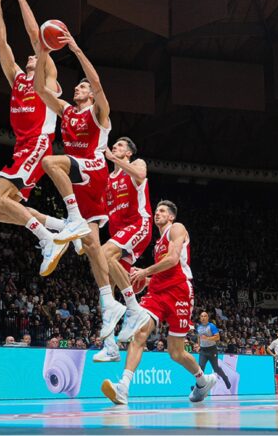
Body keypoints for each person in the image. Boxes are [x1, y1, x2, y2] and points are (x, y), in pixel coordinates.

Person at [32, 28, 126, 341]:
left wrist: (74, 49)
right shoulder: (67, 111)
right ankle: (109, 302)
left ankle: (70, 219)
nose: (79, 87)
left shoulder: (99, 113)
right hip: (78, 180)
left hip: (94, 171)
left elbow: (97, 83)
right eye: (78, 85)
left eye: (82, 86)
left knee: (49, 162)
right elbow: (42, 91)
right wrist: (43, 51)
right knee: (92, 246)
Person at [0, 0, 71, 276]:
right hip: (22, 147)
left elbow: (38, 39)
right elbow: (0, 40)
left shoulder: (47, 81)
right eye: (31, 57)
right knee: (0, 212)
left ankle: (49, 240)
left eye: (36, 56)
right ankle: (61, 226)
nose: (30, 57)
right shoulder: (17, 78)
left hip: (37, 145)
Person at [100, 200, 218, 405]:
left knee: (176, 352)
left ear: (171, 216)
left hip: (180, 290)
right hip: (157, 292)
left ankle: (202, 381)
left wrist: (145, 271)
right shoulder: (157, 245)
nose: (157, 214)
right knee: (140, 332)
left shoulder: (177, 228)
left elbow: (173, 260)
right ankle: (123, 388)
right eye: (155, 211)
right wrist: (145, 280)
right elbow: (162, 272)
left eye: (162, 211)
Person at [91, 137, 153, 361]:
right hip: (119, 235)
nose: (115, 147)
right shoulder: (108, 180)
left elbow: (141, 176)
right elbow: (100, 212)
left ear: (128, 153)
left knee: (104, 254)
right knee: (105, 293)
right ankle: (110, 347)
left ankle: (134, 309)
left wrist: (112, 157)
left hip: (139, 225)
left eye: (119, 146)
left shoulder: (137, 165)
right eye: (114, 145)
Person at [195, 311, 232, 389]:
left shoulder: (212, 326)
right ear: (200, 318)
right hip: (203, 351)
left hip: (212, 350)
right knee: (200, 369)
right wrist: (198, 345)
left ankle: (225, 378)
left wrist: (207, 338)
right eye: (201, 316)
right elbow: (199, 337)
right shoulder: (199, 327)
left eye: (205, 316)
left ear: (208, 318)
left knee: (216, 369)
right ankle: (198, 386)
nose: (203, 318)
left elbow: (217, 337)